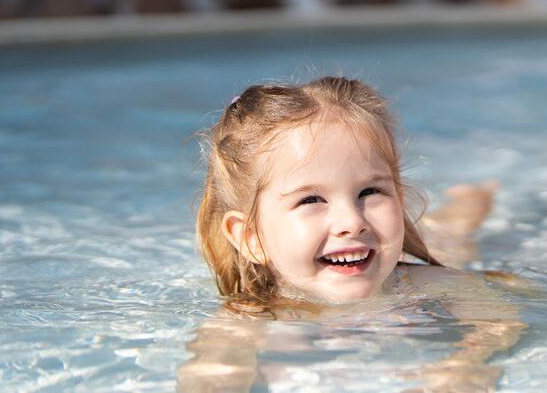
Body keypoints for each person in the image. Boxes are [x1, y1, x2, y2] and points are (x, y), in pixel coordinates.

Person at [182, 76, 523, 391]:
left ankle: (471, 201)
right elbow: (208, 378)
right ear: (250, 238)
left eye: (370, 192)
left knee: (455, 242)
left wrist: (466, 364)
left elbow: (501, 321)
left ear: (399, 198)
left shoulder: (428, 285)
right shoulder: (247, 320)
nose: (352, 221)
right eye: (311, 199)